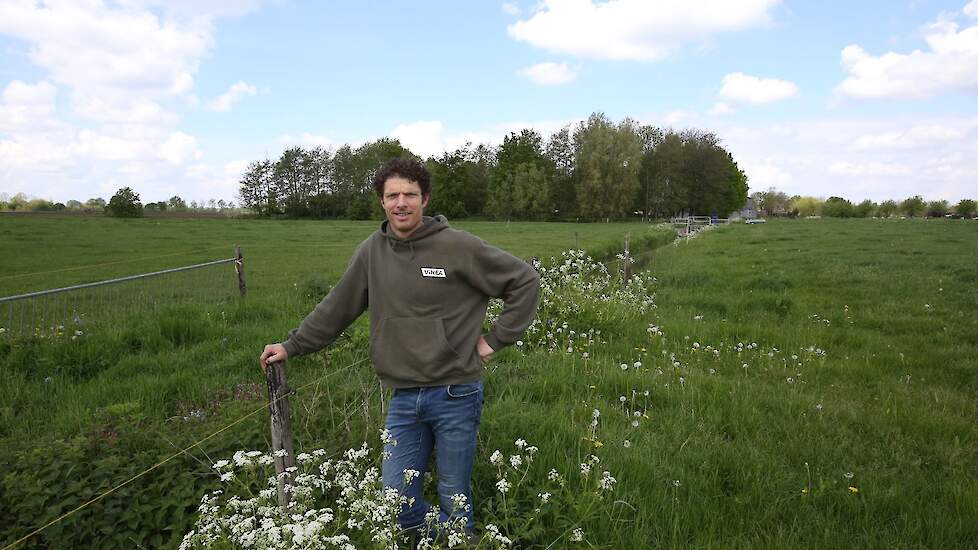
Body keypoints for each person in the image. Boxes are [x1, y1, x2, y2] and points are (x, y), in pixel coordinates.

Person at [259, 157, 540, 538]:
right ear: (381, 201)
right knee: (398, 506)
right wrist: (292, 346)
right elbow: (336, 308)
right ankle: (450, 538)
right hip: (404, 396)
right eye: (393, 195)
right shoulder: (371, 252)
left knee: (455, 500)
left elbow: (524, 281)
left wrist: (494, 340)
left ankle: (463, 540)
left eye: (410, 194)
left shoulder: (457, 246)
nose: (401, 203)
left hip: (455, 390)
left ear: (425, 199)